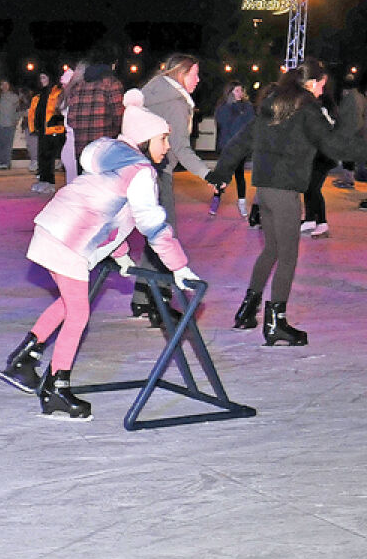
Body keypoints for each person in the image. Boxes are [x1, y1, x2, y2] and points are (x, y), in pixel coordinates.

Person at [0, 89, 197, 419]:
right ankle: (56, 388)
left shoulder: (118, 165)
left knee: (67, 304)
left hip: (53, 229)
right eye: (163, 138)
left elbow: (107, 214)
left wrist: (120, 255)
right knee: (78, 313)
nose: (167, 146)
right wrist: (179, 266)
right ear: (146, 140)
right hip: (68, 241)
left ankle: (25, 358)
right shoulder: (140, 172)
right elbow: (151, 223)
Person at [206, 59, 367, 346]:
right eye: (320, 84)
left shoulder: (273, 104)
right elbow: (334, 146)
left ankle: (247, 311)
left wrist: (220, 172)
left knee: (271, 250)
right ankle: (275, 323)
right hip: (284, 193)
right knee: (288, 256)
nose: (321, 90)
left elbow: (241, 141)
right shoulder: (307, 109)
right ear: (310, 83)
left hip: (265, 190)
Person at [130, 53, 204, 327]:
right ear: (182, 74)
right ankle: (158, 302)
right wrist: (208, 174)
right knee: (164, 234)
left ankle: (142, 298)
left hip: (141, 168)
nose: (198, 80)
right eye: (194, 74)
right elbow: (181, 148)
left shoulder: (152, 93)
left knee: (154, 234)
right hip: (159, 172)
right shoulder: (176, 103)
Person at [64, 46, 124, 176]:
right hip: (104, 148)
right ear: (112, 64)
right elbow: (119, 117)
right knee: (103, 190)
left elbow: (71, 118)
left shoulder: (79, 85)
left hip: (82, 148)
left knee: (85, 188)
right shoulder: (112, 83)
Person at [213, 81, 255, 217]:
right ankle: (216, 198)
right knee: (222, 174)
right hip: (226, 146)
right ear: (230, 92)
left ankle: (242, 202)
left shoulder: (247, 107)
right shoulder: (224, 107)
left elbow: (249, 123)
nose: (240, 93)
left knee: (239, 175)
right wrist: (235, 110)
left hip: (241, 146)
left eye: (241, 90)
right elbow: (224, 123)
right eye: (236, 91)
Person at [28, 72, 65, 194]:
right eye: (40, 78)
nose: (42, 80)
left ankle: (50, 182)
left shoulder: (57, 93)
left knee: (49, 156)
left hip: (53, 130)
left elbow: (61, 110)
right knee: (42, 156)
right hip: (42, 130)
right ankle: (43, 180)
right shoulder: (38, 95)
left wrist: (57, 122)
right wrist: (33, 128)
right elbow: (33, 113)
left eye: (44, 77)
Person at [0, 80, 20, 170]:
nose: (4, 86)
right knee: (1, 144)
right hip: (1, 123)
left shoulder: (14, 97)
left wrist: (16, 119)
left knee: (8, 144)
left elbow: (18, 110)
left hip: (10, 123)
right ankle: (0, 162)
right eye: (2, 84)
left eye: (6, 84)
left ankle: (6, 162)